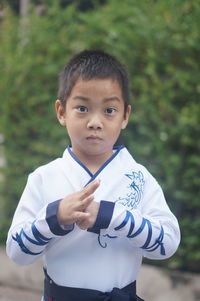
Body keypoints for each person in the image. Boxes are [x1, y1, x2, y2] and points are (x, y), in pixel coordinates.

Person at [6, 50, 180, 301]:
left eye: (109, 110)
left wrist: (113, 216)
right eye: (82, 108)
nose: (95, 122)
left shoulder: (138, 178)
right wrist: (56, 217)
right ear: (61, 112)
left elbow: (168, 244)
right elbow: (16, 252)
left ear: (125, 116)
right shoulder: (44, 178)